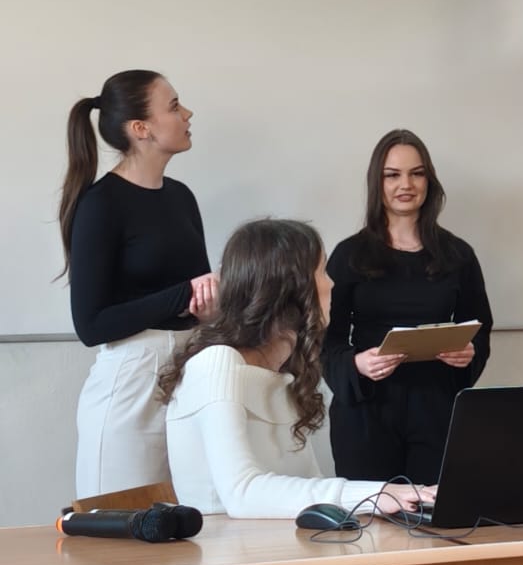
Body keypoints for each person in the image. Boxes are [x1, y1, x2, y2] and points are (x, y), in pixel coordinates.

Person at [162, 218, 427, 518]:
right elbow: (241, 494)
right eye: (322, 271)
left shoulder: (283, 375)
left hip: (281, 543)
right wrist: (377, 494)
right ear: (290, 288)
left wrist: (400, 499)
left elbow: (309, 487)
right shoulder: (217, 363)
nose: (332, 284)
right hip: (228, 547)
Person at [60, 69, 217, 497]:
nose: (187, 114)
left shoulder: (181, 196)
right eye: (174, 106)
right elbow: (91, 325)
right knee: (123, 523)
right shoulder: (101, 204)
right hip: (130, 386)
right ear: (140, 128)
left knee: (193, 520)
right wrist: (182, 295)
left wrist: (207, 305)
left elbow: (197, 294)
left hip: (189, 374)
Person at [323, 128, 492, 484]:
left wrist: (468, 352)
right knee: (370, 513)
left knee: (436, 511)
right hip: (367, 410)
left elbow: (480, 329)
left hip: (436, 408)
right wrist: (357, 363)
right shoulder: (349, 254)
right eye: (392, 175)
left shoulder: (458, 254)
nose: (406, 185)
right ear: (377, 182)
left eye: (417, 173)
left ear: (429, 180)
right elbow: (326, 339)